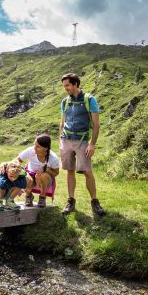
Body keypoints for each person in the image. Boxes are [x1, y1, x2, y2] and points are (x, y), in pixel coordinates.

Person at [59, 73, 106, 216]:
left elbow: (96, 125)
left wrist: (92, 144)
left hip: (82, 141)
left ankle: (95, 201)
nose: (65, 88)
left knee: (87, 172)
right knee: (69, 171)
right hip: (66, 140)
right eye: (64, 86)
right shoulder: (65, 101)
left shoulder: (90, 100)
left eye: (67, 85)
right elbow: (62, 122)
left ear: (75, 84)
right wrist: (60, 139)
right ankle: (71, 201)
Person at [14, 134, 60, 208]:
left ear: (45, 148)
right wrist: (17, 167)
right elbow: (17, 160)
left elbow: (56, 173)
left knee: (44, 176)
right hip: (30, 174)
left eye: (38, 146)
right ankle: (29, 196)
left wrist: (47, 170)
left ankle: (42, 197)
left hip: (45, 178)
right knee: (24, 178)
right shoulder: (30, 150)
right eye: (34, 145)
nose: (34, 148)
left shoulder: (53, 158)